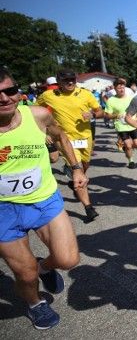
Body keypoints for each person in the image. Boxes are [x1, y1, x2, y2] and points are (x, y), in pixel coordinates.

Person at [0, 68, 85, 329]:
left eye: (9, 91)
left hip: (44, 199)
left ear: (18, 91)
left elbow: (60, 137)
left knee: (68, 259)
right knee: (25, 274)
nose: (4, 98)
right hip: (4, 210)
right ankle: (36, 303)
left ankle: (46, 267)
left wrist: (76, 167)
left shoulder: (38, 115)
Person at [36, 68, 101, 222]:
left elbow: (100, 111)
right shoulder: (48, 96)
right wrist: (43, 132)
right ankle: (88, 207)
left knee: (84, 167)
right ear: (58, 81)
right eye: (66, 80)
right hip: (64, 140)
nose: (70, 82)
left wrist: (92, 114)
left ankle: (74, 177)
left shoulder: (85, 93)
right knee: (77, 170)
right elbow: (35, 112)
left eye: (73, 79)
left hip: (85, 138)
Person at [104, 78, 137, 169]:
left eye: (123, 88)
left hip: (132, 124)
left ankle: (126, 149)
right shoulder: (111, 100)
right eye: (119, 88)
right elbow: (107, 115)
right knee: (128, 145)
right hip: (121, 125)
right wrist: (115, 115)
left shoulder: (131, 98)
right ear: (115, 89)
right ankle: (130, 160)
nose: (121, 90)